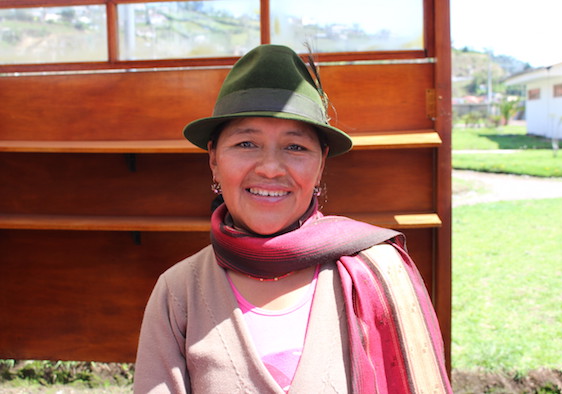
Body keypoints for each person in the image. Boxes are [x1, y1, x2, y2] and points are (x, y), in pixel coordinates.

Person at [134, 44, 452, 394]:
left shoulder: (379, 273)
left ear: (321, 164)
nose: (270, 168)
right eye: (246, 144)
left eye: (295, 147)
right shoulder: (179, 292)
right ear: (213, 159)